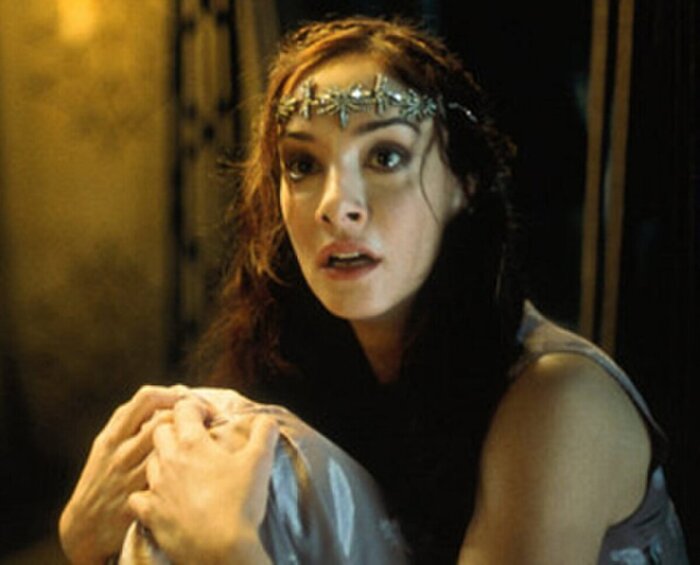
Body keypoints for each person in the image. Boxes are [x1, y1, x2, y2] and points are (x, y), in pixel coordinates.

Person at [59, 15, 689, 565]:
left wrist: (229, 553)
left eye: (385, 157)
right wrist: (82, 542)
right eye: (302, 165)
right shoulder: (315, 374)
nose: (337, 206)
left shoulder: (562, 402)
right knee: (206, 436)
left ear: (464, 181)